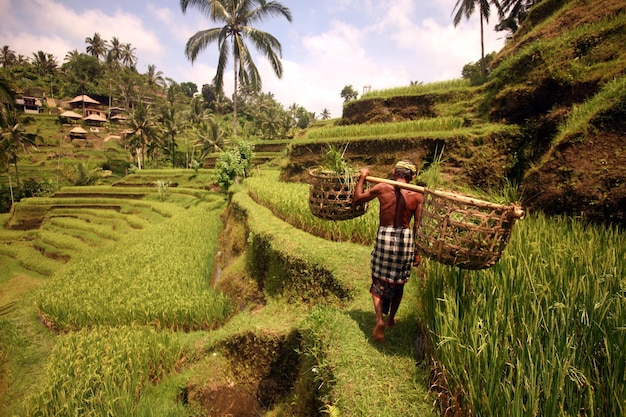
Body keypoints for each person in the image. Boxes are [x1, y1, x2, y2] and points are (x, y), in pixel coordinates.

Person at [353, 160, 424, 342]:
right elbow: (418, 226)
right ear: (413, 177)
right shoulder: (417, 195)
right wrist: (416, 252)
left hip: (385, 236)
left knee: (378, 280)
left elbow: (358, 198)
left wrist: (362, 177)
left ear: (393, 172)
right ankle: (391, 318)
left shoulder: (382, 187)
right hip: (405, 239)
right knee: (399, 283)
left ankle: (379, 320)